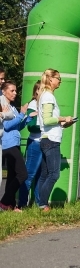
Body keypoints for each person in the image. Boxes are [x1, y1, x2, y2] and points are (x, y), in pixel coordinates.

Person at [37, 69, 76, 212]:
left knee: (45, 174)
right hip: (51, 140)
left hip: (46, 138)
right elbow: (47, 120)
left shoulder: (45, 95)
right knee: (54, 174)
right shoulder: (48, 96)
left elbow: (49, 122)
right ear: (50, 79)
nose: (60, 81)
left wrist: (65, 124)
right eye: (58, 78)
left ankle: (40, 204)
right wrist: (63, 118)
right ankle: (43, 204)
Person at [1, 81, 31, 211]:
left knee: (12, 176)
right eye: (12, 90)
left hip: (15, 143)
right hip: (8, 145)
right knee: (23, 174)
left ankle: (10, 205)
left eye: (15, 90)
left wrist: (27, 118)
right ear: (4, 92)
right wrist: (22, 114)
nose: (15, 93)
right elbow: (7, 126)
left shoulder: (12, 107)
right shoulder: (3, 106)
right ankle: (4, 201)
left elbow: (17, 127)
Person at [18, 82, 41, 208]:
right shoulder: (33, 104)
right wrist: (47, 126)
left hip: (44, 142)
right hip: (35, 143)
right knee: (29, 174)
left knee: (40, 175)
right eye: (41, 89)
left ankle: (39, 204)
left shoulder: (44, 103)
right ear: (36, 91)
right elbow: (31, 126)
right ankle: (22, 204)